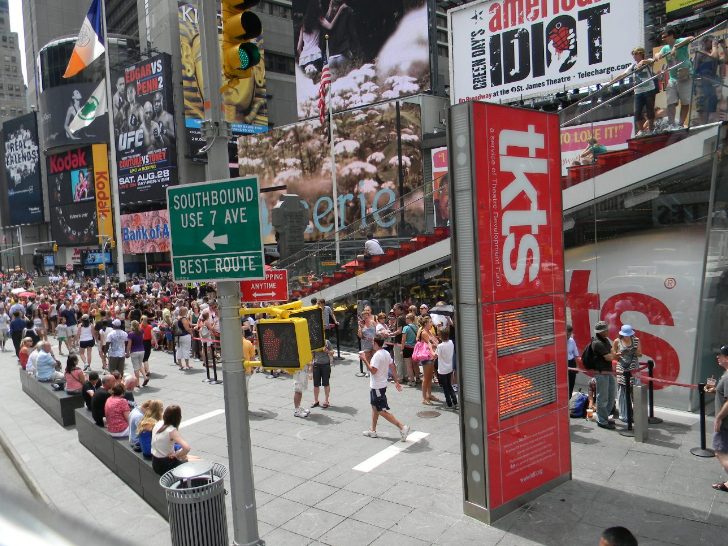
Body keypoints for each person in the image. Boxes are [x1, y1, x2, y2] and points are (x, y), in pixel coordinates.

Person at [360, 337, 410, 441]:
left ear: (375, 343)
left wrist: (364, 359)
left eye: (373, 342)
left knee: (380, 410)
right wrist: (396, 381)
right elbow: (392, 367)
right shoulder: (386, 353)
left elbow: (373, 371)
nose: (372, 344)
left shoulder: (377, 356)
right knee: (374, 407)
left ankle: (402, 427)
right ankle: (373, 431)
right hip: (380, 385)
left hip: (377, 386)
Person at [651, 28, 695, 128]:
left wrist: (676, 46)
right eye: (662, 37)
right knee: (671, 102)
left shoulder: (679, 41)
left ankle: (680, 124)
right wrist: (657, 55)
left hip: (684, 76)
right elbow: (659, 54)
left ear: (671, 35)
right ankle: (671, 125)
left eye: (665, 37)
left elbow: (691, 38)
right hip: (673, 78)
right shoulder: (665, 48)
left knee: (685, 102)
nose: (663, 39)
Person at [705, 345, 728, 492]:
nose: (717, 357)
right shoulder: (725, 374)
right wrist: (716, 391)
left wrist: (719, 418)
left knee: (719, 452)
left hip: (725, 423)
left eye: (720, 355)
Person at [591, 321, 619, 429]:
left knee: (611, 395)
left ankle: (605, 417)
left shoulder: (605, 340)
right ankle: (602, 421)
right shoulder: (597, 343)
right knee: (602, 397)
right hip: (601, 372)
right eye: (606, 330)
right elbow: (609, 357)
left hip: (607, 371)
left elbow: (612, 352)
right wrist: (615, 356)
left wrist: (613, 355)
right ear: (601, 332)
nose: (608, 331)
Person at [151, 405, 192, 475]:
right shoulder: (171, 430)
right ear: (178, 417)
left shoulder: (159, 423)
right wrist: (176, 455)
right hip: (166, 466)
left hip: (155, 462)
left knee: (192, 457)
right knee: (198, 460)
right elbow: (187, 448)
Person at [613, 324, 642, 422]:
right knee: (622, 390)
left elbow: (640, 354)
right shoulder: (617, 341)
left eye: (628, 334)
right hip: (622, 367)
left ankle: (636, 414)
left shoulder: (636, 340)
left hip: (633, 367)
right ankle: (624, 415)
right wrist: (620, 353)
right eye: (625, 335)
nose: (627, 336)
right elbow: (613, 356)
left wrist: (634, 351)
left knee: (635, 390)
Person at [417, 316, 440, 405]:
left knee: (430, 377)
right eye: (430, 322)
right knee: (426, 378)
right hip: (426, 357)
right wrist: (435, 343)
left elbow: (436, 341)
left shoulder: (429, 331)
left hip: (431, 356)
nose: (432, 323)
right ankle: (424, 398)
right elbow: (433, 343)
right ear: (426, 323)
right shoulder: (424, 333)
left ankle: (429, 395)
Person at [436, 329, 457, 409]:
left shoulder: (440, 346)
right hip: (449, 368)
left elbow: (435, 355)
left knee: (445, 388)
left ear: (440, 336)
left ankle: (449, 404)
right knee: (449, 385)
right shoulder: (451, 342)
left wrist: (431, 346)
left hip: (442, 370)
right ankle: (455, 401)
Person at [311, 338, 334, 409]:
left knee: (326, 383)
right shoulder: (313, 341)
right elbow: (312, 354)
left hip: (325, 365)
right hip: (316, 365)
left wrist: (327, 351)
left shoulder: (326, 342)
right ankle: (316, 400)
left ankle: (326, 401)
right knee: (316, 384)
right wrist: (311, 366)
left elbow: (332, 352)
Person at [127, 320, 147, 387]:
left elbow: (129, 345)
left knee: (136, 368)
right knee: (140, 364)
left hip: (134, 351)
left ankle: (137, 383)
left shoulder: (131, 334)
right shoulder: (141, 331)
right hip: (142, 350)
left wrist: (127, 352)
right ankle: (145, 377)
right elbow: (143, 339)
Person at [401, 313, 418, 385]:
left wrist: (402, 349)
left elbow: (403, 339)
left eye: (406, 318)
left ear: (409, 319)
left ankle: (411, 380)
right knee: (415, 364)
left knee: (408, 365)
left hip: (407, 347)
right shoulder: (416, 327)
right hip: (415, 347)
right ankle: (418, 378)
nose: (405, 319)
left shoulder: (406, 328)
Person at [140, 315, 155, 385]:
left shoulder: (139, 326)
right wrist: (155, 342)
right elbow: (152, 335)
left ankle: (147, 370)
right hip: (148, 342)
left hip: (142, 342)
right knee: (146, 357)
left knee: (144, 358)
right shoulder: (150, 326)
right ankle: (147, 370)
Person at [567, 324, 579, 399]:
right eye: (567, 334)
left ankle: (570, 399)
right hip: (562, 363)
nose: (568, 336)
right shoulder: (558, 340)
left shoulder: (571, 340)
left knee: (571, 383)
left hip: (571, 363)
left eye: (570, 334)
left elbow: (576, 354)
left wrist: (577, 366)